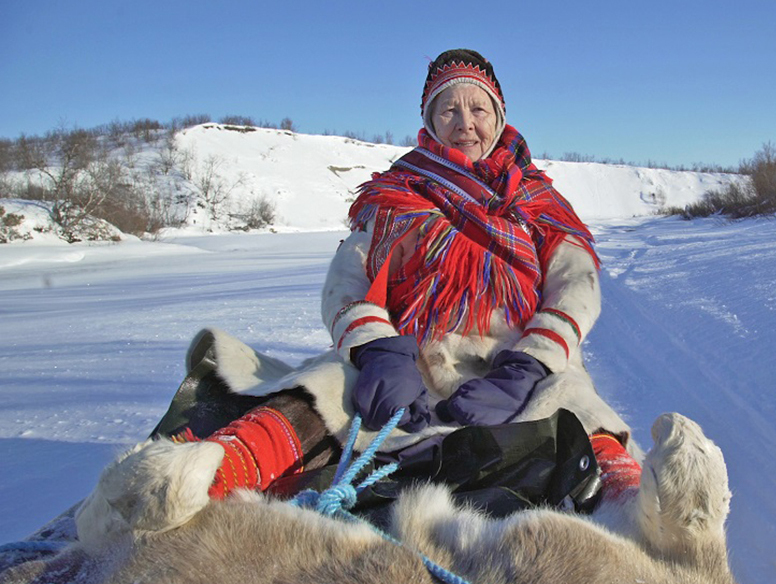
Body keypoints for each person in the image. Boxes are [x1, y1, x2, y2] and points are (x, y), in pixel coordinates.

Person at [76, 50, 641, 546]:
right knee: (322, 385)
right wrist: (378, 352)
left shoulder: (538, 200)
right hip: (408, 362)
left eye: (478, 109)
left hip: (512, 363)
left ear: (498, 116)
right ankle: (204, 476)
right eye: (449, 109)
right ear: (429, 119)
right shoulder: (395, 196)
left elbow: (575, 287)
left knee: (572, 396)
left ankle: (630, 505)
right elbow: (347, 283)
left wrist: (525, 366)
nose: (464, 123)